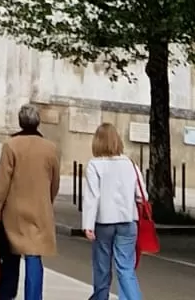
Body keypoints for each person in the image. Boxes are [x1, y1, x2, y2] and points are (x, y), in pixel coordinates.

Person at [0, 103, 60, 300]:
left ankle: (7, 293)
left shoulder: (11, 145)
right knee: (34, 255)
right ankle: (33, 297)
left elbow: (2, 182)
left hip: (14, 209)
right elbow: (55, 182)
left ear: (20, 121)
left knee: (11, 254)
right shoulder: (50, 148)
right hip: (39, 209)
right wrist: (47, 201)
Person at [82, 123, 144, 300]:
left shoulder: (95, 165)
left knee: (102, 267)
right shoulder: (131, 164)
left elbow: (92, 197)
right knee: (126, 268)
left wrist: (88, 225)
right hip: (128, 221)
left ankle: (101, 297)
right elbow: (141, 195)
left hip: (104, 222)